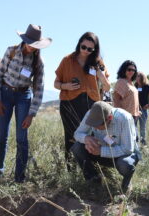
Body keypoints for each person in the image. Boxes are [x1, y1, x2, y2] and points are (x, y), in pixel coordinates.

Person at [0, 24, 52, 182]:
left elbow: (39, 88)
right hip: (5, 94)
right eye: (30, 43)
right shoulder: (11, 51)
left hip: (23, 97)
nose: (32, 47)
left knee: (21, 137)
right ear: (25, 40)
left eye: (35, 44)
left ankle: (19, 177)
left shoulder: (38, 61)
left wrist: (31, 114)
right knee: (2, 136)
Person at [54, 32, 110, 169]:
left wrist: (101, 76)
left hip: (92, 105)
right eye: (83, 47)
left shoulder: (98, 62)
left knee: (91, 136)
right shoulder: (67, 60)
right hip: (69, 103)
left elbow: (107, 87)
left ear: (94, 49)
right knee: (71, 136)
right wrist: (65, 86)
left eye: (90, 49)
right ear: (79, 43)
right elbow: (55, 83)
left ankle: (89, 168)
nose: (85, 51)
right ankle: (71, 169)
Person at [71, 101, 139, 193]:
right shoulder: (91, 115)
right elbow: (77, 134)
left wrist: (101, 151)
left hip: (121, 156)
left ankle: (125, 186)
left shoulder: (124, 118)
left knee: (125, 164)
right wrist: (86, 138)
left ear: (109, 118)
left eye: (98, 125)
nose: (95, 127)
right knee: (77, 147)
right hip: (100, 153)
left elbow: (127, 149)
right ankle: (93, 180)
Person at [113, 60, 139, 127]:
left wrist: (137, 111)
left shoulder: (131, 82)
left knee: (133, 137)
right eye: (129, 69)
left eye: (133, 70)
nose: (131, 72)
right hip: (125, 117)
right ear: (124, 69)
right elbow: (116, 100)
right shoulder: (121, 82)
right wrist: (120, 116)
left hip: (134, 116)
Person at [134, 72, 149, 146]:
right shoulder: (135, 85)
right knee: (134, 126)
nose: (136, 77)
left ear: (141, 77)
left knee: (142, 128)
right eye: (136, 76)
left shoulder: (147, 86)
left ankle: (143, 144)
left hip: (144, 109)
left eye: (137, 76)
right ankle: (136, 143)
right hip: (135, 110)